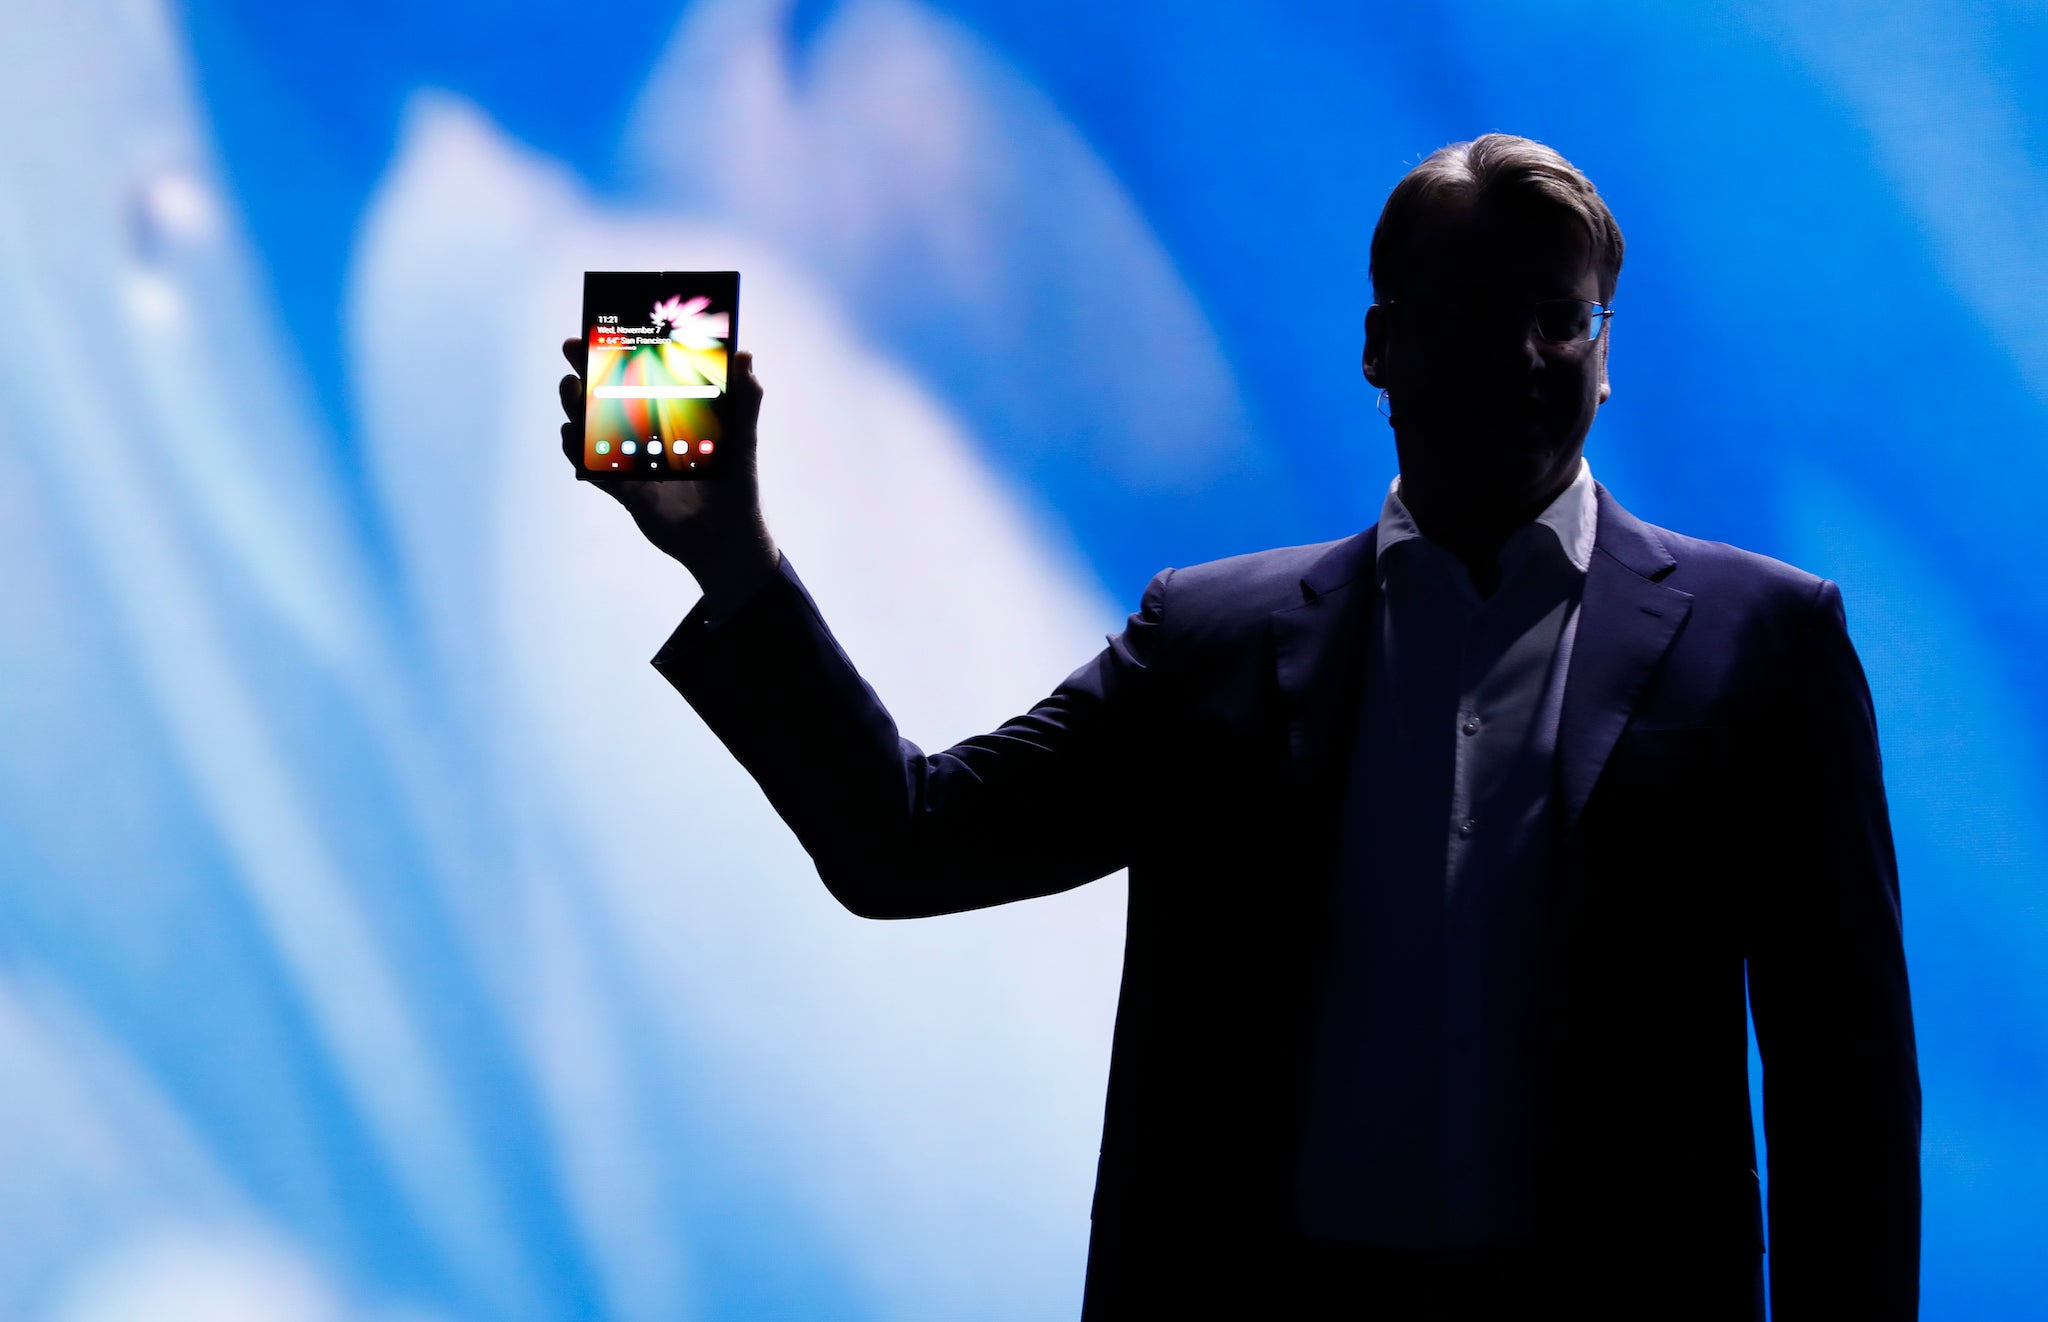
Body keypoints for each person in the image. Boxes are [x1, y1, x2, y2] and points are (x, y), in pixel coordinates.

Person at [557, 134, 1920, 1321]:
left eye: (1556, 319)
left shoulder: (1767, 639)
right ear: (1380, 346)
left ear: (1605, 355)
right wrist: (729, 556)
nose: (1518, 354)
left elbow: (1845, 1088)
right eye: (1466, 310)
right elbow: (907, 843)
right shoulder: (1209, 640)